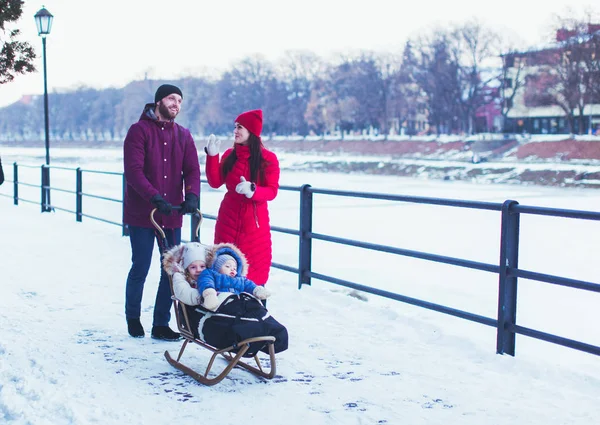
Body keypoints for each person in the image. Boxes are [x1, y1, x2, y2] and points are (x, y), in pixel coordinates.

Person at [123, 84, 201, 340]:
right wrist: (154, 196)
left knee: (171, 269)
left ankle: (160, 323)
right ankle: (133, 317)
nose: (176, 103)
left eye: (179, 100)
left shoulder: (183, 135)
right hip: (144, 213)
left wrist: (191, 194)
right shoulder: (139, 131)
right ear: (158, 102)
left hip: (171, 213)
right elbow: (133, 171)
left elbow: (192, 170)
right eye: (171, 98)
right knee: (141, 266)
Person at [204, 109, 280, 292]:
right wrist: (212, 156)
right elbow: (215, 181)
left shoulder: (268, 159)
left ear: (252, 131)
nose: (235, 131)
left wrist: (252, 190)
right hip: (227, 219)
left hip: (254, 225)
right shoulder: (230, 155)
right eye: (235, 127)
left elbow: (272, 191)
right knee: (223, 269)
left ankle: (255, 314)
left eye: (240, 127)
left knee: (254, 272)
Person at [198, 243, 270, 311]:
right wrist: (210, 294)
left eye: (235, 268)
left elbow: (249, 285)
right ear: (217, 268)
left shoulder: (240, 279)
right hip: (221, 305)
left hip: (239, 306)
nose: (232, 269)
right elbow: (206, 282)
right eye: (228, 266)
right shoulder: (213, 275)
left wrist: (257, 290)